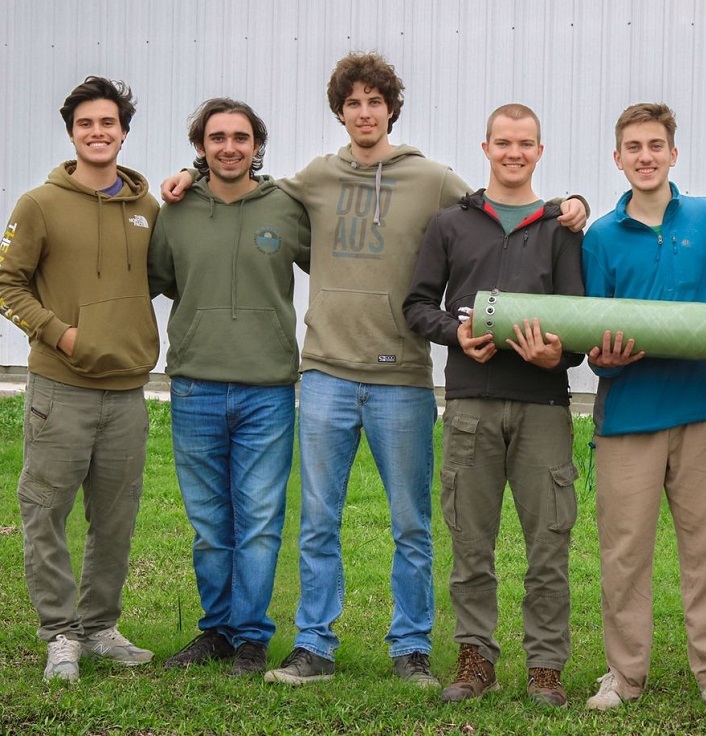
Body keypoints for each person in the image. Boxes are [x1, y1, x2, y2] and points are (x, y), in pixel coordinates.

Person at [162, 52, 586, 687]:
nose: (365, 112)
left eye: (375, 102)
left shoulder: (431, 179)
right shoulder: (315, 177)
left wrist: (568, 204)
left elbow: (498, 204)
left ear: (391, 110)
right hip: (326, 373)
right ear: (341, 112)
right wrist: (190, 174)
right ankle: (314, 646)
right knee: (319, 522)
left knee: (411, 525)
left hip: (401, 380)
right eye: (353, 103)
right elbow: (247, 186)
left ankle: (411, 648)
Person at [403, 104, 583, 707]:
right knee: (471, 544)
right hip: (470, 404)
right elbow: (417, 305)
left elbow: (577, 324)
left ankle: (546, 666)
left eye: (525, 143)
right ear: (486, 148)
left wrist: (555, 356)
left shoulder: (561, 229)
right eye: (503, 142)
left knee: (549, 545)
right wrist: (456, 335)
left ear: (539, 151)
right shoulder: (451, 224)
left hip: (542, 407)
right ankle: (475, 658)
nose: (514, 153)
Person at [0, 76, 160, 681]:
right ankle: (60, 634)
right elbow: (6, 283)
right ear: (72, 134)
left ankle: (99, 628)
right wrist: (62, 334)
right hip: (59, 391)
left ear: (123, 132)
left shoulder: (148, 209)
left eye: (108, 123)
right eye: (86, 124)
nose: (98, 132)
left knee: (115, 520)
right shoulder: (39, 204)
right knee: (45, 512)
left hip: (127, 393)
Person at [581, 103, 706, 711]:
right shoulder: (600, 237)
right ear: (617, 158)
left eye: (655, 146)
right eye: (633, 147)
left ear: (673, 153)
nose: (645, 157)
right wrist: (605, 359)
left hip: (701, 411)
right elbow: (593, 337)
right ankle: (624, 675)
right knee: (624, 554)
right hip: (628, 417)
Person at [148, 98, 310, 677]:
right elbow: (160, 280)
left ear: (256, 145)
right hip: (195, 385)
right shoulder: (176, 211)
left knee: (259, 521)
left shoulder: (287, 206)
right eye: (217, 138)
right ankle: (216, 630)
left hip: (267, 389)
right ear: (201, 146)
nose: (229, 147)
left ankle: (251, 637)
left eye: (241, 137)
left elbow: (335, 266)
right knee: (210, 524)